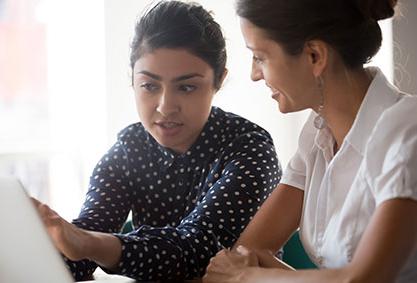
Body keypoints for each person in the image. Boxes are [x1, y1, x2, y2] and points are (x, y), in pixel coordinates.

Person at [32, 1, 281, 281]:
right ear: (133, 81)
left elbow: (198, 250)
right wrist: (40, 248)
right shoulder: (130, 149)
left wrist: (88, 243)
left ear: (218, 81)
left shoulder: (249, 148)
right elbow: (82, 243)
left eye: (187, 87)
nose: (165, 107)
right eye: (150, 86)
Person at [204, 0, 417, 282]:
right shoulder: (317, 134)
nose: (255, 74)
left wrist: (248, 276)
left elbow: (364, 278)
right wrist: (253, 271)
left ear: (315, 56)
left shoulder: (408, 127)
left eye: (260, 57)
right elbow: (248, 251)